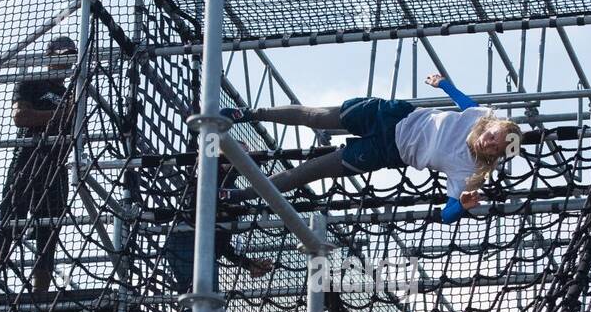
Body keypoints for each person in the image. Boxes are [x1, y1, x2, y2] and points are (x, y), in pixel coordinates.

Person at [221, 74, 521, 223]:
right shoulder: (482, 116)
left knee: (308, 172)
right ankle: (247, 113)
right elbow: (463, 101)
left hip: (387, 152)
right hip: (392, 115)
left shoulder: (470, 172)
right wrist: (443, 84)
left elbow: (446, 214)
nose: (489, 143)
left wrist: (462, 208)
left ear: (492, 158)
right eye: (494, 136)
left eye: (494, 149)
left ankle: (238, 195)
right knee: (316, 116)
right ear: (493, 128)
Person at [160, 158, 273, 312]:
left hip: (197, 247)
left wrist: (248, 264)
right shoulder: (209, 178)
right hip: (186, 242)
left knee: (205, 305)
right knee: (205, 303)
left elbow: (223, 245)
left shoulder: (232, 191)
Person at [0, 35, 78, 294]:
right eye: (63, 55)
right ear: (49, 55)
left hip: (55, 168)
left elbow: (73, 129)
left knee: (48, 236)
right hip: (26, 162)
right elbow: (21, 116)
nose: (68, 62)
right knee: (10, 224)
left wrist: (56, 118)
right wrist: (58, 115)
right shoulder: (32, 83)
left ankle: (39, 296)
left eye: (71, 56)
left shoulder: (74, 92)